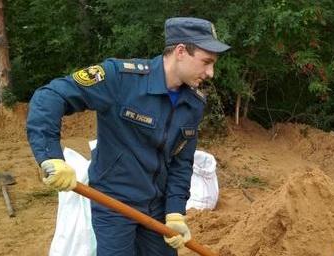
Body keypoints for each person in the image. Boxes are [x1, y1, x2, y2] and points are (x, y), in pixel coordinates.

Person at [26, 17, 230, 255]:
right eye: (206, 62)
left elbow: (181, 162)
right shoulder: (120, 79)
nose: (211, 72)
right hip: (114, 205)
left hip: (157, 210)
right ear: (181, 51)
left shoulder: (193, 104)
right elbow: (50, 97)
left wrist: (175, 212)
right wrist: (51, 156)